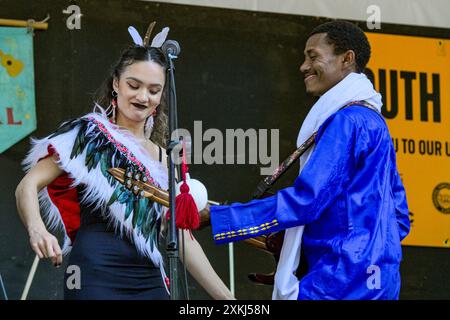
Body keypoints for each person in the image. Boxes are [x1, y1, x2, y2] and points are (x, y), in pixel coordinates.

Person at [15, 25, 234, 300]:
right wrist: (37, 229)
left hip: (149, 277)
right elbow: (27, 185)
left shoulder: (165, 159)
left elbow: (183, 240)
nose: (143, 97)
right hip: (95, 274)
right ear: (116, 84)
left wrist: (230, 301)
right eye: (134, 85)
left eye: (154, 90)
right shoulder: (87, 134)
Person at [204, 20, 410, 300]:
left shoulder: (346, 122)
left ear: (347, 59)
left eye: (313, 56)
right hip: (382, 281)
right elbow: (399, 218)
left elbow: (307, 201)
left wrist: (218, 219)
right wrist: (367, 248)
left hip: (339, 280)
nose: (303, 66)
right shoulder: (374, 122)